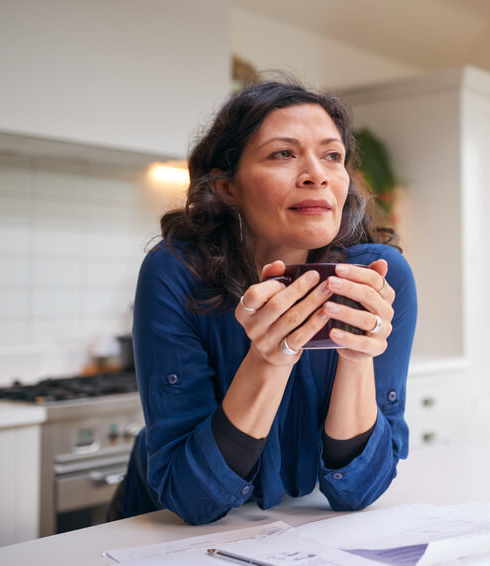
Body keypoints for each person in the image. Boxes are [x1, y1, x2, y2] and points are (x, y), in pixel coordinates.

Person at [110, 78, 417, 525]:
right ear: (227, 187)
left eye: (332, 155)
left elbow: (360, 490)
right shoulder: (175, 272)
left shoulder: (379, 278)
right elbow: (191, 498)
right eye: (283, 154)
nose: (317, 173)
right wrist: (270, 358)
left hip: (296, 537)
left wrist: (355, 356)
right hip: (157, 536)